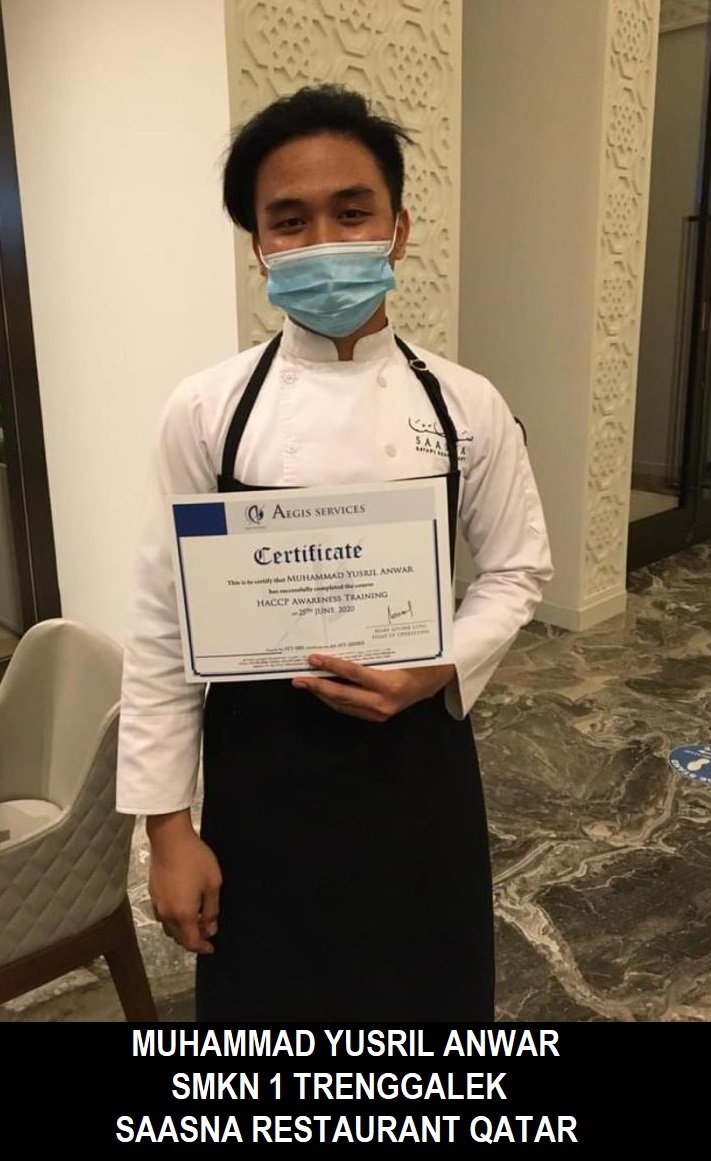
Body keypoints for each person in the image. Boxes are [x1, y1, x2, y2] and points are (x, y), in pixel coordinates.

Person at [116, 84, 553, 1021]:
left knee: (429, 1005)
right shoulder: (207, 410)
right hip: (260, 777)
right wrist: (168, 830)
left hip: (418, 767)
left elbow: (517, 567)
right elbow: (160, 620)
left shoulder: (465, 405)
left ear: (397, 229)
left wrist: (439, 664)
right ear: (259, 247)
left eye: (351, 212)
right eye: (290, 220)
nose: (322, 242)